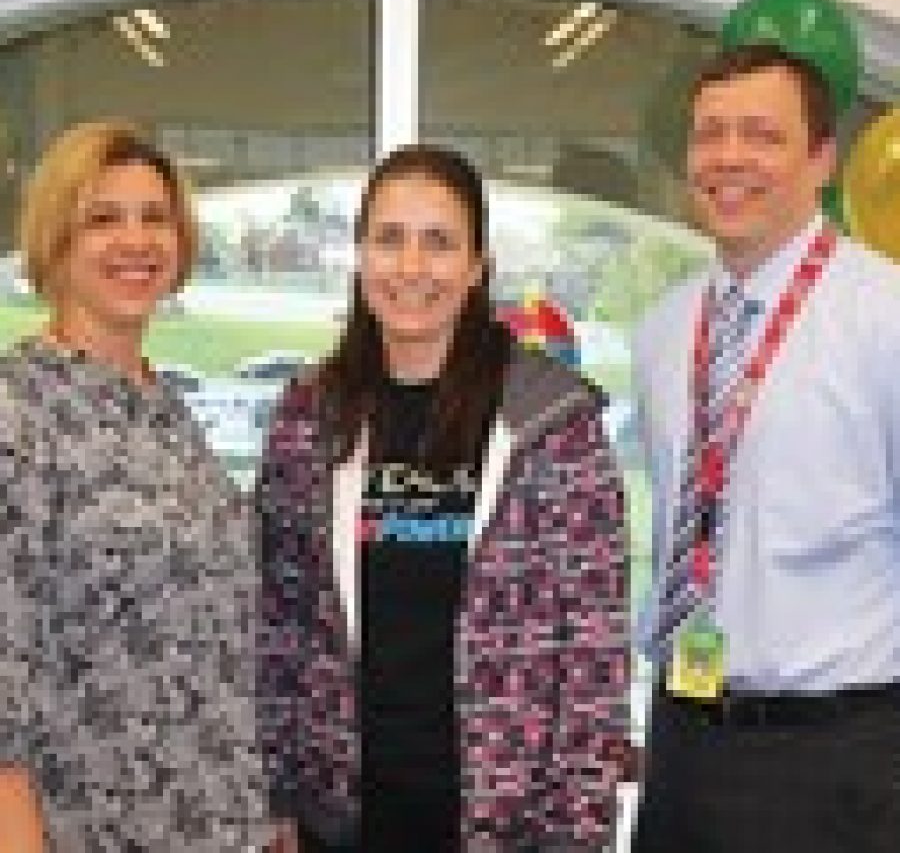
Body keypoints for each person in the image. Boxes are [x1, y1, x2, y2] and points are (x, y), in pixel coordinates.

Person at [257, 144, 631, 852]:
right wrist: (278, 793)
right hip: (342, 821)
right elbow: (280, 621)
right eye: (389, 239)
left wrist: (576, 831)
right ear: (360, 256)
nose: (411, 267)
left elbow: (593, 654)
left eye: (439, 242)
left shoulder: (552, 422)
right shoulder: (310, 416)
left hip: (506, 825)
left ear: (477, 267)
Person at [632, 44, 900, 853]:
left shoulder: (884, 317)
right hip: (683, 735)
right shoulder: (663, 329)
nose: (729, 157)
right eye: (709, 134)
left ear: (822, 160)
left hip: (837, 755)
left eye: (761, 134)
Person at [0, 120, 268, 851]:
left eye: (155, 218)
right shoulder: (19, 412)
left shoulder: (165, 407)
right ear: (56, 238)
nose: (137, 241)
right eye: (103, 218)